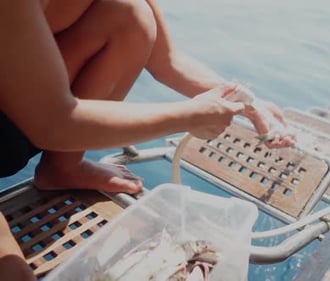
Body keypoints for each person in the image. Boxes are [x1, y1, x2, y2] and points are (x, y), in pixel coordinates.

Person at [0, 0, 294, 280]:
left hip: (24, 116)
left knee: (130, 15)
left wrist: (247, 103)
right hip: (41, 121)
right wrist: (188, 116)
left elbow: (168, 61)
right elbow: (54, 123)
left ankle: (62, 167)